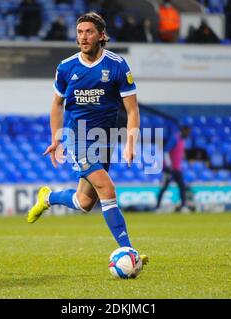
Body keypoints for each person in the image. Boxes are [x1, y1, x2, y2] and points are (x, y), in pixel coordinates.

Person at [27, 12, 148, 266]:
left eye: (89, 32)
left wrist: (130, 142)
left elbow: (133, 110)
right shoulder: (66, 67)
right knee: (107, 188)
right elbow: (57, 103)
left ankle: (47, 197)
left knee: (84, 202)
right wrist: (56, 138)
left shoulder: (117, 65)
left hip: (105, 140)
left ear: (101, 35)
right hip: (78, 138)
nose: (82, 37)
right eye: (79, 32)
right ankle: (129, 252)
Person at [156, 125, 191, 212]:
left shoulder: (182, 141)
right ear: (183, 131)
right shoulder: (175, 139)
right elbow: (166, 151)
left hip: (177, 169)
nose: (188, 134)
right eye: (187, 132)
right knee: (164, 187)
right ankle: (157, 207)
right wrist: (168, 165)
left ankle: (183, 206)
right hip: (169, 169)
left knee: (182, 186)